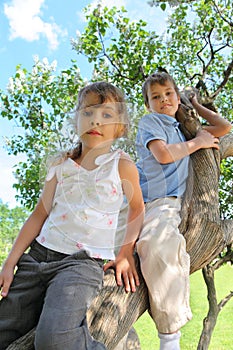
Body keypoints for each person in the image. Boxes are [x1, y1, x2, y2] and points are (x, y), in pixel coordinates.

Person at [0, 81, 144, 350]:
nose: (95, 121)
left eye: (106, 115)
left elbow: (137, 208)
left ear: (121, 127)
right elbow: (39, 214)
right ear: (76, 120)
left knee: (53, 339)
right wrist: (11, 262)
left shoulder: (121, 165)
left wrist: (125, 253)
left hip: (80, 263)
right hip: (37, 258)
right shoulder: (61, 165)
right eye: (87, 113)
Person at [135, 71, 231, 350]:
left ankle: (169, 335)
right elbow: (163, 155)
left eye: (169, 94)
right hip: (153, 200)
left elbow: (224, 127)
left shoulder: (183, 128)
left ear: (177, 97)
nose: (163, 100)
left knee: (164, 245)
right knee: (156, 244)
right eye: (156, 97)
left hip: (176, 203)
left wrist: (196, 105)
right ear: (148, 104)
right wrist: (198, 142)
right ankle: (165, 336)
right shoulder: (151, 122)